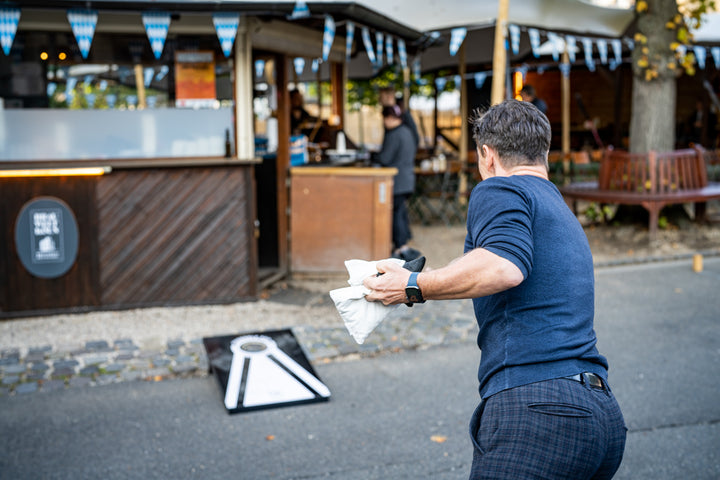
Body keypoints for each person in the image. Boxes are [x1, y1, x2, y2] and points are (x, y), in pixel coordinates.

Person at [364, 100, 626, 479]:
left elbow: (503, 266)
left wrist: (411, 286)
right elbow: (497, 258)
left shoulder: (500, 188)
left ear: (487, 155)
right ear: (545, 153)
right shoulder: (556, 206)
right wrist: (416, 273)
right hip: (600, 416)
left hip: (538, 411)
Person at [375, 105, 420, 261]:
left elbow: (385, 158)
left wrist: (374, 157)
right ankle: (404, 246)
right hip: (408, 179)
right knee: (400, 213)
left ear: (390, 118)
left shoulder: (394, 134)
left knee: (396, 215)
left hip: (397, 181)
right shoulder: (407, 132)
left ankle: (401, 247)